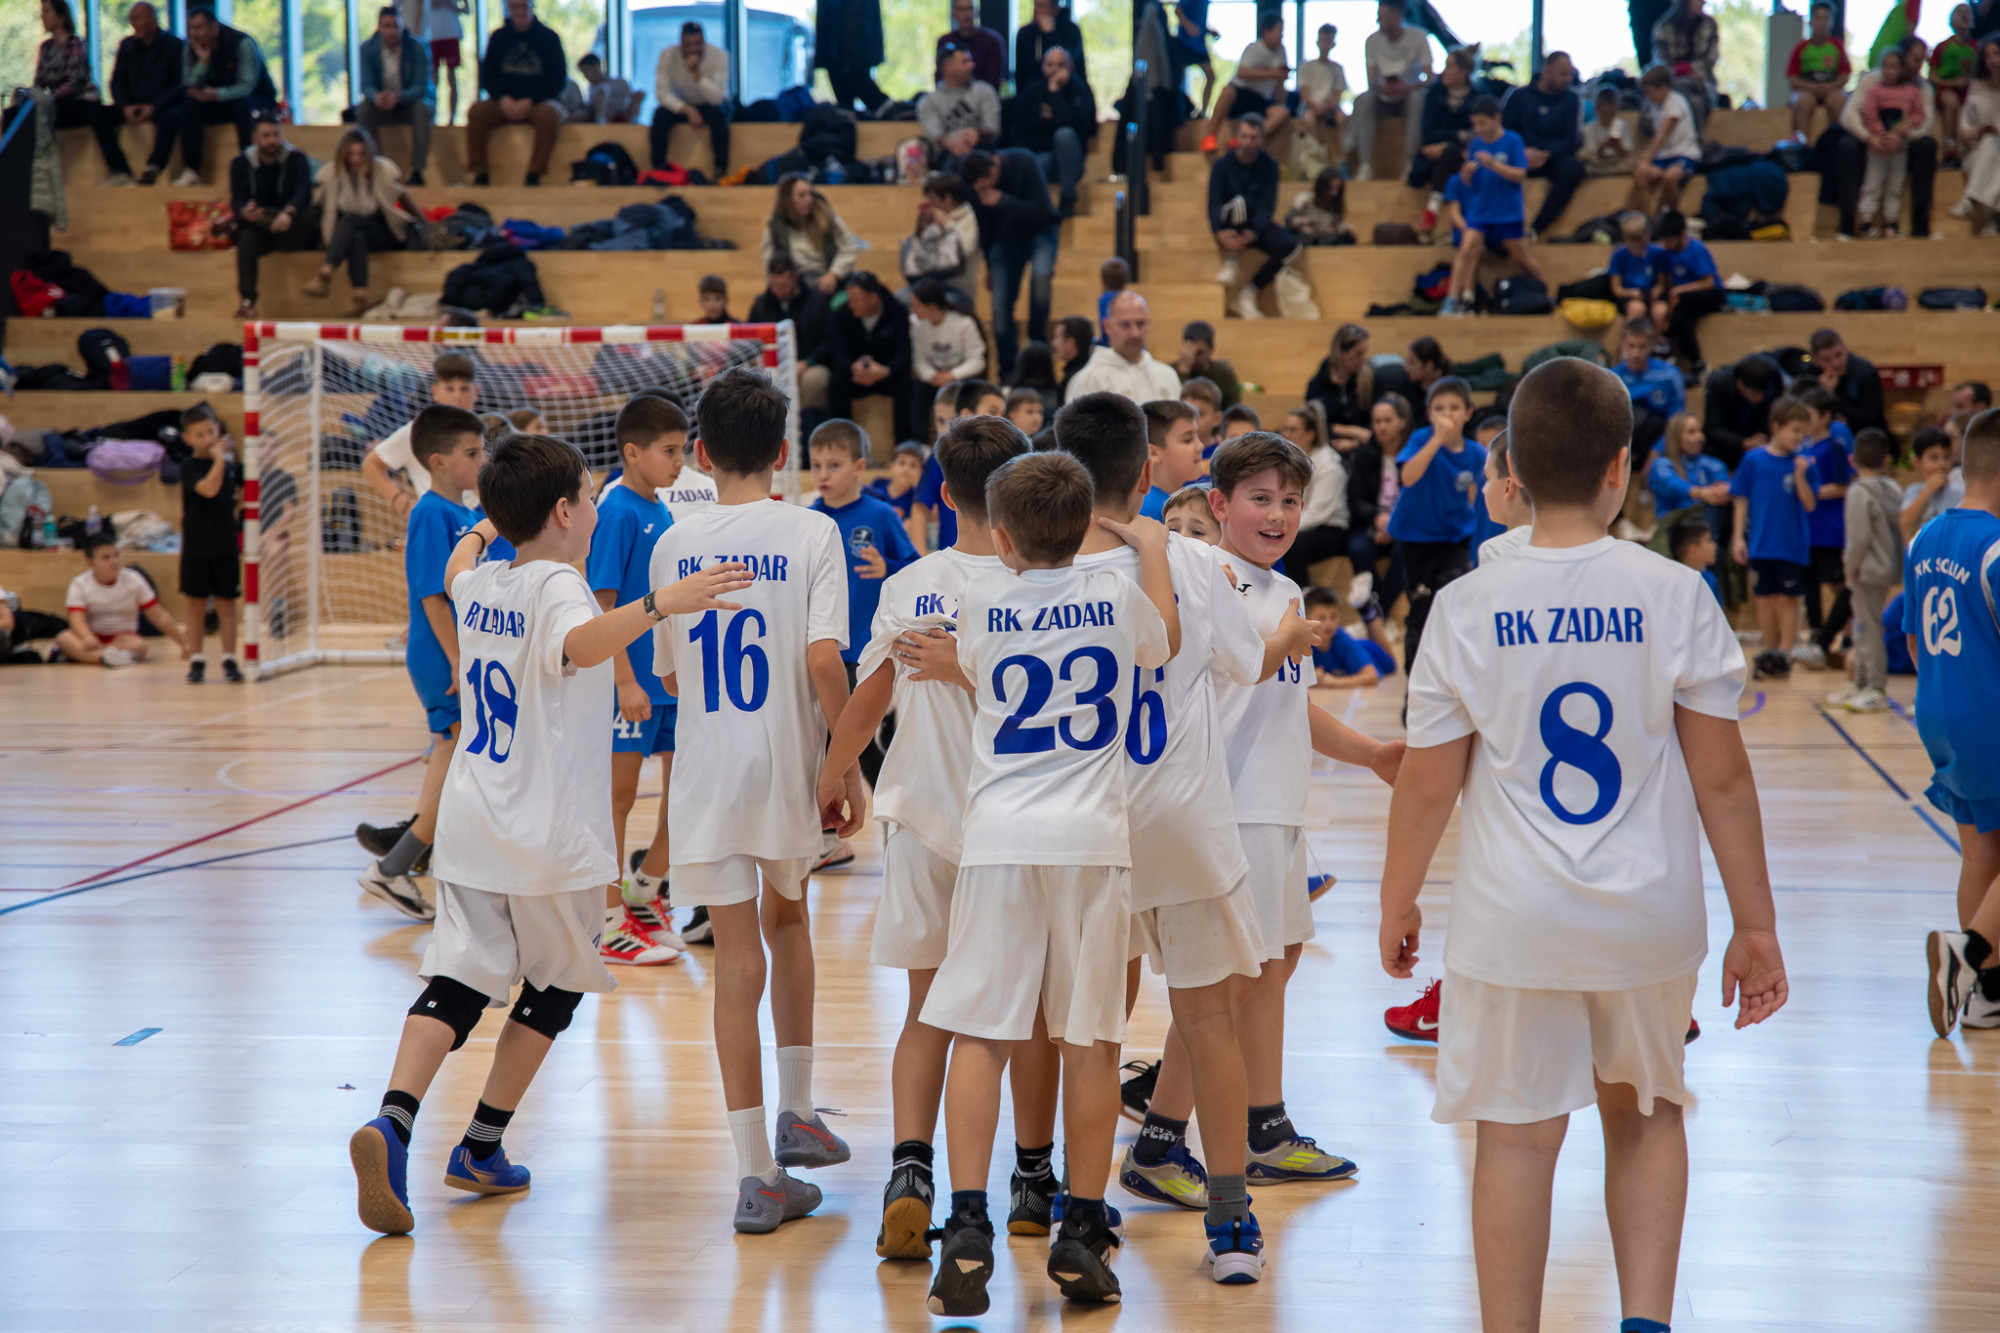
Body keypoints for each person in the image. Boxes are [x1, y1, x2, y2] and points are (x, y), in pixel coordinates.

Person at [1379, 357, 1787, 1332]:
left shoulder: (1463, 605)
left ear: (1512, 470)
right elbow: (1722, 779)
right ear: (1620, 467)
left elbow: (1427, 781)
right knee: (1644, 1114)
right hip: (1647, 915)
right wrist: (1756, 924)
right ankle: (1645, 1321)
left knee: (1515, 1140)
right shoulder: (1676, 591)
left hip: (1510, 921)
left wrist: (1395, 899)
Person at [344, 432, 753, 1238]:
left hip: (471, 822)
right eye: (590, 498)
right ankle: (480, 1145)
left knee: (458, 981)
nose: (597, 509)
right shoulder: (561, 583)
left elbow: (458, 563)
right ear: (565, 512)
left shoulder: (483, 581)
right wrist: (663, 603)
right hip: (547, 833)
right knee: (557, 985)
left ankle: (392, 1120)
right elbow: (579, 643)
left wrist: (483, 526)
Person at [917, 447, 1175, 1316]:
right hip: (1091, 842)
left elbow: (978, 666)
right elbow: (1166, 641)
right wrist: (1152, 548)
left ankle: (966, 1225)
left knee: (981, 1032)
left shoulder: (979, 598)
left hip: (998, 838)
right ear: (1085, 524)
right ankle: (1084, 1227)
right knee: (1090, 1041)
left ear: (1000, 535)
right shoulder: (1117, 594)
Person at [1047, 394, 1285, 1284]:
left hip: (1088, 821)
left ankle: (1078, 1211)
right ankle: (1230, 1220)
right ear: (1148, 468)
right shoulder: (1191, 558)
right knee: (1209, 1020)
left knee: (1093, 1029)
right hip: (1183, 814)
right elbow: (1247, 665)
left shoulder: (1037, 566)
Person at [646, 368, 862, 1232]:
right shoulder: (812, 530)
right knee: (791, 917)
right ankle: (798, 1110)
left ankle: (755, 1173)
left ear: (700, 453)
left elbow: (668, 677)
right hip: (784, 765)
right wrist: (845, 762)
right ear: (782, 450)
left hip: (705, 773)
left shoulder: (673, 542)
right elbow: (823, 660)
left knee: (734, 960)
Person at [814, 416, 1025, 1260]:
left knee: (925, 1007)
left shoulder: (911, 583)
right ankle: (1030, 1178)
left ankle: (909, 1168)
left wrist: (835, 774)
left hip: (920, 816)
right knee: (1013, 1016)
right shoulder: (1040, 586)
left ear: (941, 491)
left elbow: (868, 697)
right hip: (1011, 828)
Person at [1200, 431, 1400, 1194]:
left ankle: (1267, 1125)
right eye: (1260, 498)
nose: (1279, 514)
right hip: (1232, 805)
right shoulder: (1210, 580)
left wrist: (1373, 754)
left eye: (1290, 499)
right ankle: (1166, 1133)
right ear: (1220, 504)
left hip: (1279, 805)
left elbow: (1294, 706)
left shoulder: (1284, 588)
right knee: (1230, 982)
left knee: (1274, 968)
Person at [358, 405, 500, 922]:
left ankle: (419, 856)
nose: (482, 460)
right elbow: (433, 596)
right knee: (469, 759)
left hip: (459, 652)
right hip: (442, 654)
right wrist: (458, 660)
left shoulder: (465, 514)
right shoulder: (430, 512)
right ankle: (394, 866)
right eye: (472, 453)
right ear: (438, 462)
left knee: (455, 752)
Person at [586, 395, 697, 968]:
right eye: (669, 451)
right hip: (627, 683)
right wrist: (624, 680)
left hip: (664, 682)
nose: (680, 462)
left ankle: (645, 892)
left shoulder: (660, 509)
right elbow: (601, 605)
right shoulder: (618, 510)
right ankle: (607, 923)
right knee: (618, 799)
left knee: (685, 794)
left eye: (682, 450)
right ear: (632, 452)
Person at [1911, 408, 2000, 1037]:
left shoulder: (1924, 538)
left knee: (1980, 853)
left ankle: (1985, 996)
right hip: (1988, 714)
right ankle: (1968, 953)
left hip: (1938, 710)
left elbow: (1915, 645)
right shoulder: (1995, 548)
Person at [807, 418, 920, 781]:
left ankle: (890, 804)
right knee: (825, 740)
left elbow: (917, 570)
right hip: (821, 649)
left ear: (858, 467)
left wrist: (887, 567)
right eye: (816, 465)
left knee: (856, 737)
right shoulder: (807, 520)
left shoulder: (881, 515)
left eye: (834, 465)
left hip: (865, 649)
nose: (823, 474)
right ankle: (832, 820)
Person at [1389, 377, 1483, 673]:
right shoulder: (1421, 439)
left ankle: (1451, 679)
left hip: (1455, 539)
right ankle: (1414, 688)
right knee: (1421, 610)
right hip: (1418, 539)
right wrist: (1437, 440)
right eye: (1439, 408)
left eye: (1454, 407)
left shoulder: (1476, 453)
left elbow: (1473, 495)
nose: (1446, 414)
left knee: (1455, 605)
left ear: (1468, 413)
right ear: (1429, 414)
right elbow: (1408, 477)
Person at [1731, 397, 1821, 679]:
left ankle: (1785, 654)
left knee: (1788, 600)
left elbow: (1810, 504)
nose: (1799, 437)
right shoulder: (1754, 460)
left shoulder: (1803, 464)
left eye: (1803, 432)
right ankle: (1769, 653)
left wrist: (1801, 476)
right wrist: (1738, 538)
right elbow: (1741, 499)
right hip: (1760, 543)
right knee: (1765, 600)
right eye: (1795, 430)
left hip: (1791, 545)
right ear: (1776, 427)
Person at [963, 149, 1061, 378]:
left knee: (1041, 280)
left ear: (993, 171)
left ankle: (1038, 355)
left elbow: (1043, 210)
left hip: (1041, 233)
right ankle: (1009, 371)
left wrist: (1003, 201)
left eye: (984, 186)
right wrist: (989, 265)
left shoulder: (1024, 162)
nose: (981, 192)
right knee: (999, 307)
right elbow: (984, 227)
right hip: (1004, 242)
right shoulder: (975, 187)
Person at [1826, 427, 1903, 713]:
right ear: (1886, 459)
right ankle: (1860, 682)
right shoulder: (1894, 489)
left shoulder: (1858, 491)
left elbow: (1858, 538)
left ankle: (1875, 688)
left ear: (1852, 460)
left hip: (1867, 571)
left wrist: (1850, 568)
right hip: (1889, 567)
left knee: (1867, 629)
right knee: (1864, 628)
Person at [1443, 97, 1542, 317]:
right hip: (1480, 211)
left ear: (1497, 118)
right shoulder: (1476, 145)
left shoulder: (1513, 141)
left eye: (1483, 123)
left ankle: (1544, 292)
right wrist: (1466, 176)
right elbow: (1471, 183)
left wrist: (1494, 165)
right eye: (1475, 124)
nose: (1479, 129)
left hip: (1507, 213)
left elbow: (1521, 174)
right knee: (1466, 249)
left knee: (1522, 257)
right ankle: (1451, 299)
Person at [1836, 36, 1942, 238]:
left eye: (1922, 61)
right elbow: (1849, 116)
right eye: (1915, 59)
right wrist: (1871, 137)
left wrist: (1902, 134)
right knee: (1846, 146)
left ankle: (1918, 226)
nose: (1918, 66)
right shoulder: (1872, 82)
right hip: (1872, 139)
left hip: (1904, 143)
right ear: (1902, 57)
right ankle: (1849, 224)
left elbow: (1924, 122)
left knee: (1927, 146)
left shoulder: (1922, 89)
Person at [306, 127, 418, 313]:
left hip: (384, 233)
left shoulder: (382, 171)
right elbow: (320, 207)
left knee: (352, 220)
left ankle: (327, 270)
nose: (356, 159)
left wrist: (422, 222)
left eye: (361, 154)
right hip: (353, 236)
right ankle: (360, 293)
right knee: (356, 235)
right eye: (351, 154)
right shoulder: (334, 176)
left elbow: (404, 199)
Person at [360, 354, 480, 522]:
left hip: (482, 526)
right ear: (435, 392)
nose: (457, 396)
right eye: (450, 389)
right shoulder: (417, 431)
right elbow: (371, 464)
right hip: (438, 525)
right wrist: (404, 505)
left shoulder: (487, 430)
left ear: (476, 391)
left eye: (464, 389)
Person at [1208, 114, 1305, 323]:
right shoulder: (1222, 165)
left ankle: (1250, 291)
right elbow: (1214, 202)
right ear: (1237, 137)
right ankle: (1231, 259)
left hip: (1255, 225)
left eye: (1253, 138)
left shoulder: (1269, 166)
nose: (1248, 142)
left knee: (1292, 246)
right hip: (1229, 221)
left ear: (1261, 139)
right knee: (1239, 203)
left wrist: (1254, 232)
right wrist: (1219, 232)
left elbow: (1267, 204)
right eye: (1244, 136)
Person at [466, 0, 567, 187]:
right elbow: (487, 77)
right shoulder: (498, 37)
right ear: (509, 9)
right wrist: (502, 98)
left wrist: (531, 100)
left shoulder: (549, 37)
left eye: (523, 6)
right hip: (503, 101)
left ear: (531, 6)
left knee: (549, 115)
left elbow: (558, 80)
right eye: (514, 7)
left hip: (538, 102)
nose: (519, 11)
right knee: (477, 112)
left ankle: (534, 174)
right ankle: (480, 173)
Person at [175, 5, 277, 186]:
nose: (194, 34)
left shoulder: (242, 43)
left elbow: (246, 87)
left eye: (198, 28)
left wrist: (216, 94)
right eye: (190, 29)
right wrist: (203, 63)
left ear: (214, 28)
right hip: (215, 100)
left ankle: (250, 166)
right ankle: (192, 170)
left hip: (254, 98)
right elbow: (188, 85)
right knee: (189, 106)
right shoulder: (189, 47)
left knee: (243, 107)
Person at [228, 114, 316, 321]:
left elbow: (303, 193)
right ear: (255, 138)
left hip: (290, 228)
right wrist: (245, 211)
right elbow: (237, 200)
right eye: (266, 136)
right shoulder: (240, 163)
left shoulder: (296, 159)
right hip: (259, 228)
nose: (272, 140)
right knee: (245, 234)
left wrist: (288, 213)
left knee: (311, 214)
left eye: (276, 135)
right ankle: (247, 301)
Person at [178, 404, 242, 684]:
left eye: (211, 432)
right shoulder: (189, 467)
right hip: (197, 546)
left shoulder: (232, 466)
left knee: (227, 605)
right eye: (199, 434)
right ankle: (196, 660)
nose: (207, 438)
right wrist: (220, 461)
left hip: (225, 544)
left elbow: (237, 494)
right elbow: (208, 489)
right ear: (187, 439)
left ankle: (229, 659)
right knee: (196, 605)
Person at [58, 532, 186, 668]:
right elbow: (77, 620)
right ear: (90, 562)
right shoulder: (79, 584)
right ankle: (108, 658)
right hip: (92, 640)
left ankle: (94, 657)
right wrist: (87, 637)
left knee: (139, 646)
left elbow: (158, 615)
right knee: (64, 638)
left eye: (116, 555)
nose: (114, 561)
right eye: (106, 558)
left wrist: (184, 643)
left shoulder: (134, 580)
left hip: (122, 639)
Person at [90, 2, 183, 188]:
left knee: (172, 117)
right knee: (97, 114)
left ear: (153, 22)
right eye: (131, 19)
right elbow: (116, 82)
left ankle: (154, 167)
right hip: (131, 106)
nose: (133, 23)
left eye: (138, 18)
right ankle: (120, 170)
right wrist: (124, 106)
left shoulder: (174, 45)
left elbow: (179, 85)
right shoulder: (127, 46)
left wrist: (155, 106)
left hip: (161, 106)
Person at [1796, 386, 1856, 663]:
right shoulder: (1802, 448)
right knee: (1810, 586)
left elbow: (1845, 485)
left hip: (1830, 530)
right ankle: (1816, 635)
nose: (1804, 421)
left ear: (1825, 416)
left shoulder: (1834, 447)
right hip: (1807, 529)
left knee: (1837, 584)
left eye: (1808, 415)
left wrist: (1810, 493)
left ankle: (1847, 638)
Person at [826, 271, 914, 453]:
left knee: (906, 384)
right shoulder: (842, 314)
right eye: (849, 299)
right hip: (855, 375)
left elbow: (904, 355)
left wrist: (885, 371)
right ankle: (842, 443)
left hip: (886, 374)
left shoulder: (897, 312)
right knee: (836, 382)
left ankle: (903, 447)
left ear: (873, 298)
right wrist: (852, 367)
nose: (850, 305)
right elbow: (837, 353)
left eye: (855, 300)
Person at [1501, 50, 1586, 239]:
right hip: (1519, 157)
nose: (1568, 79)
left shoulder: (1571, 99)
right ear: (1547, 71)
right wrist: (1522, 153)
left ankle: (1536, 229)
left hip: (1552, 159)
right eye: (1563, 74)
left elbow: (1571, 140)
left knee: (1573, 168)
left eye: (1570, 74)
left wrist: (1546, 154)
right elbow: (1505, 134)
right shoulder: (1519, 96)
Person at [1345, 0, 1433, 182]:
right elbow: (1372, 80)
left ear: (1397, 15)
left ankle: (1410, 163)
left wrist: (1406, 87)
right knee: (1363, 100)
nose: (1378, 20)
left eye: (1382, 16)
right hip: (1382, 97)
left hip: (1409, 95)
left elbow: (1430, 78)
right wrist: (1383, 87)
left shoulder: (1419, 37)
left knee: (1418, 100)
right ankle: (1365, 165)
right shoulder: (1372, 41)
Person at [354, 6, 435, 185]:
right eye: (387, 26)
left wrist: (398, 96)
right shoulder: (367, 49)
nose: (392, 31)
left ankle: (417, 170)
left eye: (396, 26)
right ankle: (375, 167)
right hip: (382, 105)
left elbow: (421, 87)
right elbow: (366, 85)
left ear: (402, 26)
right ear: (379, 28)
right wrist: (377, 97)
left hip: (410, 103)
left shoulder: (418, 47)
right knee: (363, 109)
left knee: (422, 108)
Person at [1858, 46, 1928, 238]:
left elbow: (1918, 115)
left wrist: (1903, 129)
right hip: (1878, 146)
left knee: (1895, 185)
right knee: (1873, 182)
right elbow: (1869, 114)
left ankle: (1891, 222)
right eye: (1886, 66)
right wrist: (1881, 134)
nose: (1889, 71)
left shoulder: (1911, 92)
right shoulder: (1874, 92)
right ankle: (1866, 221)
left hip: (1900, 146)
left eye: (1894, 67)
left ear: (1902, 70)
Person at [1016, 46, 1093, 217]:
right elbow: (1024, 130)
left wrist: (1055, 95)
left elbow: (1081, 126)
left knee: (1064, 135)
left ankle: (1067, 198)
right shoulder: (1031, 93)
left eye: (1061, 64)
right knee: (1035, 162)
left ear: (1071, 67)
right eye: (1050, 64)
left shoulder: (1080, 91)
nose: (1055, 70)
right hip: (1041, 159)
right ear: (1043, 67)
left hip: (1072, 161)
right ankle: (1039, 211)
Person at [1065, 292, 1182, 404]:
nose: (1135, 333)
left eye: (1140, 324)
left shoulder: (1167, 375)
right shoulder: (1088, 380)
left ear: (1148, 323)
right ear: (1107, 326)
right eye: (1125, 325)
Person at [748, 257, 832, 410]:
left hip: (807, 365)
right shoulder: (761, 304)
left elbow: (829, 342)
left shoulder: (817, 301)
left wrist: (807, 362)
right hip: (770, 365)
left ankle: (808, 423)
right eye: (774, 285)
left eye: (783, 286)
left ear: (795, 278)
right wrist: (758, 360)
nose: (778, 291)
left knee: (814, 380)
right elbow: (750, 341)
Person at [762, 173, 862, 296]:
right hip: (796, 286)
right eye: (802, 195)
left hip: (830, 279)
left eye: (810, 194)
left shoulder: (827, 217)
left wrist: (833, 274)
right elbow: (769, 266)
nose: (809, 199)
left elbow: (849, 248)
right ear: (787, 200)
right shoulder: (774, 229)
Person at [652, 21, 731, 175]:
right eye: (688, 44)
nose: (693, 49)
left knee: (719, 115)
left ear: (704, 41)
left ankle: (721, 169)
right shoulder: (668, 55)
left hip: (710, 104)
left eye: (697, 44)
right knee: (660, 115)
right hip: (682, 105)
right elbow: (662, 93)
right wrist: (687, 110)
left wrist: (696, 74)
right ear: (681, 43)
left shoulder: (719, 55)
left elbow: (717, 97)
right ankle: (659, 168)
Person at [1206, 11, 1295, 144]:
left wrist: (1280, 96)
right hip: (1241, 94)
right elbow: (1242, 73)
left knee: (1282, 112)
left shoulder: (1282, 52)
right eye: (1279, 31)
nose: (1281, 36)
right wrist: (1273, 73)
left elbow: (1279, 84)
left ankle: (1247, 140)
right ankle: (1210, 137)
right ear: (1266, 31)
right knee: (1227, 92)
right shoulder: (1254, 48)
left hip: (1261, 99)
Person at [1655, 209, 1722, 384]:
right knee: (1684, 320)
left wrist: (1681, 289)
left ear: (1681, 234)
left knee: (1681, 303)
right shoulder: (1667, 253)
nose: (1666, 244)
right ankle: (1697, 364)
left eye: (1669, 239)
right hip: (1683, 301)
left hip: (1710, 294)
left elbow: (1708, 282)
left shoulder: (1697, 249)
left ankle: (1665, 340)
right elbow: (1666, 282)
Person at [1648, 413, 1731, 552]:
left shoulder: (1711, 464)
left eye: (1700, 431)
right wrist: (1700, 493)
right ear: (1675, 436)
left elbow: (1725, 485)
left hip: (1708, 532)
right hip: (1672, 533)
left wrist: (1722, 491)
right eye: (1692, 432)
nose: (1700, 437)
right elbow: (1670, 484)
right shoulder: (1662, 464)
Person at [909, 279, 985, 428]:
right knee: (918, 391)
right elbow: (918, 359)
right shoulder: (916, 324)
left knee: (969, 391)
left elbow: (977, 361)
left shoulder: (964, 322)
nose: (911, 310)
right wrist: (932, 375)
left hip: (960, 376)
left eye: (915, 305)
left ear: (932, 306)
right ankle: (919, 440)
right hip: (934, 378)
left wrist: (953, 375)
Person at [1629, 63, 1702, 216]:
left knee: (1670, 177)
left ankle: (1666, 217)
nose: (1648, 97)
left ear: (1663, 88)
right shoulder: (1654, 107)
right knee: (1640, 174)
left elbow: (1663, 134)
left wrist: (1646, 159)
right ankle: (1646, 219)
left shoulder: (1675, 101)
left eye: (1649, 92)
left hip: (1684, 154)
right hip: (1664, 156)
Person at [921, 40, 1001, 175]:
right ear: (948, 68)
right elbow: (936, 136)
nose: (972, 65)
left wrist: (978, 133)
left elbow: (993, 129)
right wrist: (950, 142)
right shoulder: (928, 101)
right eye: (965, 62)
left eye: (971, 60)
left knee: (1021, 157)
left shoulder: (984, 91)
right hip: (949, 156)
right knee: (958, 162)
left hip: (984, 150)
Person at [902, 172, 982, 303]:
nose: (928, 203)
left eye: (932, 199)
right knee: (901, 298)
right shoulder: (931, 219)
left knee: (942, 303)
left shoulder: (970, 218)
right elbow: (917, 257)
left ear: (948, 198)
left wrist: (947, 224)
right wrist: (920, 229)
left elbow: (965, 250)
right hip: (927, 284)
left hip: (957, 289)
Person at [1411, 47, 1476, 208]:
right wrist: (1457, 135)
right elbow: (1428, 132)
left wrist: (1447, 146)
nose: (1444, 72)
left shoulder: (1478, 96)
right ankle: (1436, 205)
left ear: (1464, 71)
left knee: (1452, 159)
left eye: (1449, 66)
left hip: (1463, 156)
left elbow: (1476, 135)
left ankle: (1434, 207)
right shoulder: (1434, 93)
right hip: (1433, 155)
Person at [1301, 585, 1396, 687]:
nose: (1329, 624)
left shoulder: (1342, 640)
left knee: (1391, 661)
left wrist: (1333, 682)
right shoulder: (1303, 642)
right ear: (1307, 618)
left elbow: (1372, 676)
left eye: (1334, 617)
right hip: (1355, 645)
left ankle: (1367, 612)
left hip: (1371, 650)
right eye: (1322, 618)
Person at [1613, 318, 1685, 449]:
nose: (1636, 353)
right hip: (1624, 441)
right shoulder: (1613, 377)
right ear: (1622, 345)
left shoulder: (1670, 374)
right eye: (1631, 346)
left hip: (1660, 441)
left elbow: (1676, 418)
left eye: (1642, 346)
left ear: (1652, 345)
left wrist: (1657, 450)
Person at [1785, 1, 1851, 142]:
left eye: (1826, 18)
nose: (1822, 23)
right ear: (1811, 22)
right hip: (1806, 90)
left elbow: (1844, 76)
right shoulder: (1800, 48)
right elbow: (1793, 78)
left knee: (1839, 99)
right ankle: (1803, 147)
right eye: (1818, 18)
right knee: (1802, 101)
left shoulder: (1837, 46)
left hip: (1831, 89)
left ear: (1831, 22)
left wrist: (1830, 86)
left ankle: (1837, 144)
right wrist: (1811, 87)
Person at [1649, 0, 1721, 126]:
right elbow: (1660, 64)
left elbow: (1709, 60)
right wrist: (1680, 71)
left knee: (1692, 101)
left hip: (1700, 86)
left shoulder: (1708, 25)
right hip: (1670, 85)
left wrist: (1686, 70)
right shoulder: (1663, 27)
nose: (1704, 2)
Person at [1701, 355, 1779, 470]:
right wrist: (1744, 442)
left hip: (1758, 441)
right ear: (1740, 385)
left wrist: (1762, 438)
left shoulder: (1774, 384)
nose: (1761, 398)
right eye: (1755, 393)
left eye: (1764, 393)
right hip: (1727, 444)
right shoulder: (1719, 385)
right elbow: (1713, 429)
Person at [33, 0, 97, 135]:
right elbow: (39, 81)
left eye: (46, 12)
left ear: (60, 16)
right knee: (15, 113)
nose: (42, 16)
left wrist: (49, 98)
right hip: (54, 102)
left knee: (44, 113)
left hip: (79, 101)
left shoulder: (75, 44)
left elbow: (74, 83)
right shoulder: (46, 47)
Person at [1809, 328, 1887, 435]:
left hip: (1865, 436)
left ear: (1845, 348)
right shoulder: (1813, 375)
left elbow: (1870, 418)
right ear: (1815, 360)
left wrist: (1832, 395)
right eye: (1827, 359)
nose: (1836, 363)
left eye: (1838, 355)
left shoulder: (1865, 372)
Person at [1139, 399, 1206, 520]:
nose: (1201, 446)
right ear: (1153, 453)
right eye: (1188, 440)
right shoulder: (1155, 509)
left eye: (1197, 436)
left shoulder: (1165, 501)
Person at [1959, 37, 2000, 225]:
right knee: (1989, 144)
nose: (1993, 60)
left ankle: (1971, 198)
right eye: (1987, 56)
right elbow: (1965, 125)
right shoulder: (1976, 87)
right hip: (1977, 147)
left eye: (1996, 53)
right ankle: (1993, 211)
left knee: (1993, 143)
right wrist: (1977, 132)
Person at [1935, 3, 1981, 160]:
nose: (1965, 14)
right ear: (1951, 21)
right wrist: (1952, 83)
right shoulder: (1943, 47)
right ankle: (1949, 146)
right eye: (1960, 12)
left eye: (1968, 12)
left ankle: (1965, 151)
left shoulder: (1977, 47)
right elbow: (1933, 75)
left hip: (1970, 90)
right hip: (1946, 88)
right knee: (1951, 102)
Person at [1608, 211, 1670, 328]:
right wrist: (1631, 293)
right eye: (1633, 239)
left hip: (1653, 297)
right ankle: (1629, 337)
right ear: (1625, 237)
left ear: (1648, 233)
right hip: (1630, 297)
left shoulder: (1658, 253)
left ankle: (1658, 338)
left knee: (1660, 311)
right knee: (1637, 308)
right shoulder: (1619, 255)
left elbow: (1661, 283)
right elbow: (1617, 289)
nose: (1638, 243)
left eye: (1641, 238)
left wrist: (1656, 292)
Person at [1901, 426, 1961, 539]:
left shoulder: (1959, 491)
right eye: (1934, 458)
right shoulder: (1914, 491)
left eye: (1946, 457)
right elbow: (1904, 523)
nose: (1941, 464)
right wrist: (1927, 491)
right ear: (1916, 463)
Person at [1015, 0, 1087, 94]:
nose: (1036, 10)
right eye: (1035, 5)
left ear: (1055, 8)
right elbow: (1020, 74)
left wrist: (1050, 34)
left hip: (1068, 94)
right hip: (1032, 95)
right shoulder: (1025, 34)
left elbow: (1067, 61)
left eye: (1041, 6)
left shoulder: (1071, 31)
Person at [420, 0, 470, 124]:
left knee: (451, 78)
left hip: (451, 34)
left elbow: (467, 9)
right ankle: (432, 117)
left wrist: (451, 6)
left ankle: (452, 118)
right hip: (433, 35)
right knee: (433, 80)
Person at [1297, 23, 1348, 141]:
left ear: (1333, 44)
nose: (1325, 45)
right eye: (1322, 40)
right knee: (1308, 119)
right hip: (1310, 106)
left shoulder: (1337, 68)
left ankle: (1342, 150)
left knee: (1343, 119)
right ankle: (1313, 148)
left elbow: (1338, 94)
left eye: (1328, 41)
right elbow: (1304, 95)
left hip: (1331, 107)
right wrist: (1316, 106)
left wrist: (1330, 105)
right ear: (1318, 42)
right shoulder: (1306, 66)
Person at [937, 0, 1004, 89]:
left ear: (977, 12)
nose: (967, 14)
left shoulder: (992, 41)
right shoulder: (945, 42)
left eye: (970, 9)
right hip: (949, 94)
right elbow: (940, 76)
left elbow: (994, 79)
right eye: (962, 9)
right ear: (954, 15)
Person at [1174, 321, 1242, 408]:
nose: (1193, 356)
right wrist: (1184, 371)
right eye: (1190, 351)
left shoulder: (1224, 374)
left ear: (1211, 348)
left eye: (1199, 352)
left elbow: (1234, 409)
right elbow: (1175, 404)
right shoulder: (1170, 372)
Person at [1285, 165, 1355, 245]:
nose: (1334, 193)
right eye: (1330, 188)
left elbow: (1337, 225)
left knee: (1347, 239)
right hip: (1303, 236)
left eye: (1337, 189)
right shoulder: (1305, 198)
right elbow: (1288, 219)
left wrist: (1346, 227)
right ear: (1321, 186)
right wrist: (1303, 221)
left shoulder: (1334, 203)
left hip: (1324, 238)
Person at [562, 52, 638, 124]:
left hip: (623, 115)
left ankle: (634, 122)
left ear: (596, 67)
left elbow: (631, 98)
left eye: (586, 71)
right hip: (607, 117)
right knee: (602, 90)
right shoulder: (591, 89)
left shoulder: (620, 82)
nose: (585, 76)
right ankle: (600, 120)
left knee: (639, 94)